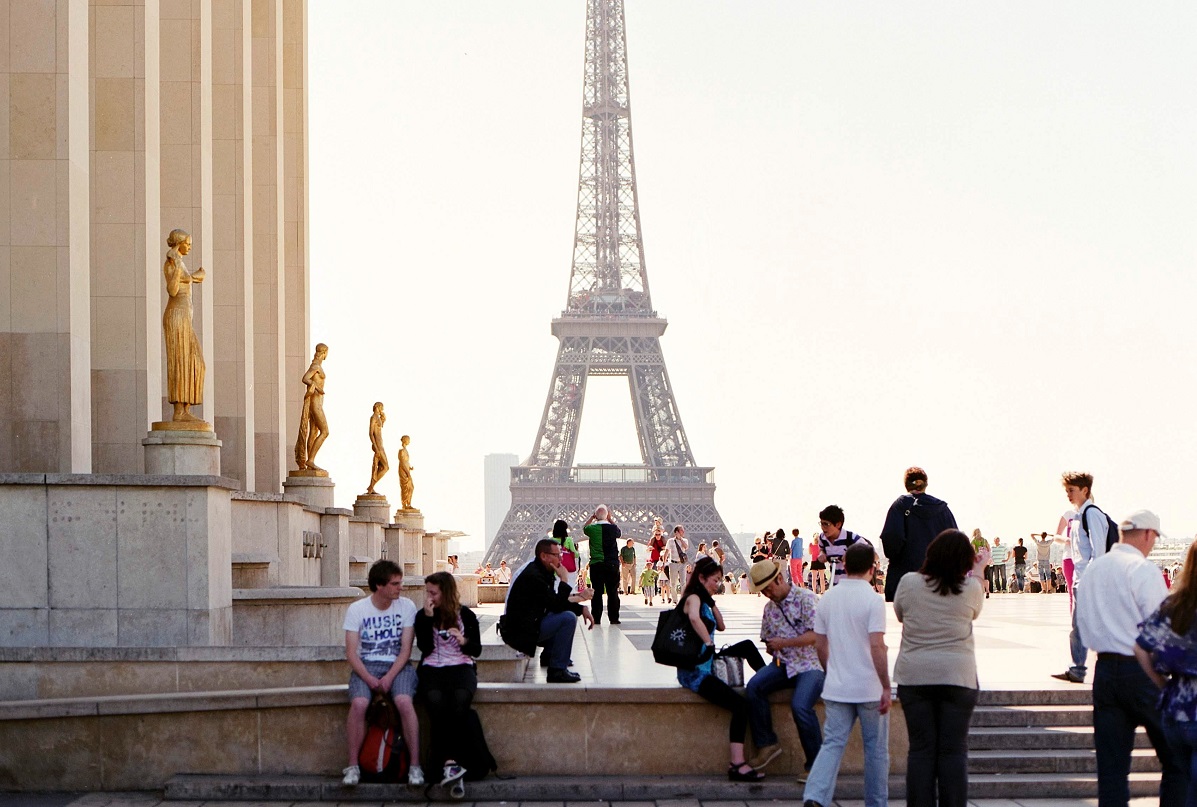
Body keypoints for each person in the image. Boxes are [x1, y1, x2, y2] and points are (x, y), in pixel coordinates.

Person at [1076, 510, 1185, 805]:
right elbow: (1163, 629)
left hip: (1105, 672)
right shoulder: (1143, 569)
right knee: (1176, 762)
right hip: (1142, 672)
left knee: (1111, 772)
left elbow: (1081, 624)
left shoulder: (1093, 571)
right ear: (1149, 534)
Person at [894, 530, 988, 807]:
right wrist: (980, 570)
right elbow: (976, 611)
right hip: (958, 678)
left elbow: (900, 614)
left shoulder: (909, 583)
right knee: (953, 751)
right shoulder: (970, 588)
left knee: (921, 751)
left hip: (915, 677)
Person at [802, 543, 891, 807]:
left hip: (837, 687)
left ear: (844, 565)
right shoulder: (873, 600)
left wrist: (833, 672)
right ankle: (876, 803)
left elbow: (820, 645)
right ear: (872, 568)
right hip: (869, 688)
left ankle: (815, 796)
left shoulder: (827, 598)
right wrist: (886, 685)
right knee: (876, 751)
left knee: (832, 745)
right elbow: (877, 646)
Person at [676, 556, 768, 781]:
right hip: (695, 671)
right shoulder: (692, 598)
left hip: (706, 660)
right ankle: (737, 764)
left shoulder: (703, 598)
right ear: (701, 577)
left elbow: (722, 625)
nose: (717, 584)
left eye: (719, 580)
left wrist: (713, 601)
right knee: (740, 705)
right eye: (714, 580)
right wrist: (708, 643)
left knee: (746, 646)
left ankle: (766, 679)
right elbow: (695, 618)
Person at [341, 560, 422, 787]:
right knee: (358, 704)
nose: (400, 588)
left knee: (405, 702)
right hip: (367, 665)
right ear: (379, 585)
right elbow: (351, 653)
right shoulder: (357, 609)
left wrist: (388, 678)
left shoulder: (406, 606)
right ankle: (353, 766)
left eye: (400, 583)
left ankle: (415, 766)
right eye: (395, 584)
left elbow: (405, 650)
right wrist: (369, 678)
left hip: (398, 666)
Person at [743, 560, 824, 775]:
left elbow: (817, 636)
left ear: (779, 579)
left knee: (801, 706)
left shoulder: (807, 599)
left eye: (768, 588)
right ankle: (767, 743)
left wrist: (785, 643)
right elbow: (768, 638)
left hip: (810, 664)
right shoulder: (769, 609)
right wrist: (772, 647)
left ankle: (816, 766)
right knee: (754, 687)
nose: (767, 594)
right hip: (783, 664)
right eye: (763, 591)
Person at [1137, 538, 1197, 807]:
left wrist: (1162, 684)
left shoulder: (1174, 606)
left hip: (1175, 707)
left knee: (1177, 779)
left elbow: (1141, 646)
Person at [414, 572, 481, 797]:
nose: (429, 596)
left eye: (433, 592)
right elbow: (425, 648)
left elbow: (476, 650)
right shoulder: (422, 615)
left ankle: (445, 762)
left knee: (460, 699)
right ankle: (452, 763)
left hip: (460, 665)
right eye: (428, 592)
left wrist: (463, 641)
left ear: (446, 592)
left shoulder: (467, 615)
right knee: (435, 701)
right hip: (433, 666)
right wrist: (427, 617)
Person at [500, 539, 594, 683]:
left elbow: (552, 602)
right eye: (557, 555)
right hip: (520, 632)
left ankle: (550, 656)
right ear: (544, 556)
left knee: (560, 614)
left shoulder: (539, 571)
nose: (560, 559)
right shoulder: (534, 576)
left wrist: (581, 608)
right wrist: (563, 579)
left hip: (526, 626)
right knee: (568, 618)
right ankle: (557, 671)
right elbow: (556, 605)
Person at [1052, 472, 1108, 684]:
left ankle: (1084, 669)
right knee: (1080, 626)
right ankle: (1078, 668)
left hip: (1087, 579)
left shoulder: (1090, 514)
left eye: (1072, 490)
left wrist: (1089, 580)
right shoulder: (1077, 516)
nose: (1068, 494)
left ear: (1085, 490)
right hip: (1080, 577)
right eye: (1067, 490)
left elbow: (1098, 550)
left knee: (1087, 625)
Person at [878, 467, 958, 602]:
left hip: (907, 578)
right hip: (938, 579)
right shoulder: (942, 509)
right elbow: (955, 542)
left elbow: (891, 537)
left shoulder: (900, 506)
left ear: (906, 484)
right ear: (925, 484)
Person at [161, 229, 206, 423]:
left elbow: (187, 280)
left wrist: (194, 276)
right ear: (179, 244)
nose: (190, 246)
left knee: (196, 363)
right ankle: (179, 411)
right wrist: (187, 274)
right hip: (176, 316)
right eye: (187, 243)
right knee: (181, 361)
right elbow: (172, 289)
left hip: (185, 317)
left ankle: (186, 408)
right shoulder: (172, 262)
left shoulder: (180, 261)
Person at [816, 505, 871, 588]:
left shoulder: (851, 538)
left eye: (826, 524)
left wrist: (851, 555)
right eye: (821, 523)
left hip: (852, 586)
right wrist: (822, 553)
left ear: (838, 524)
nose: (823, 527)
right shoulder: (822, 538)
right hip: (835, 585)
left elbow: (873, 555)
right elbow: (822, 549)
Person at [583, 505, 622, 624]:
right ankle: (614, 618)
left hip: (597, 564)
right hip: (612, 564)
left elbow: (584, 528)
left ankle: (596, 618)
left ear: (596, 516)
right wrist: (610, 519)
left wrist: (591, 518)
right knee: (613, 592)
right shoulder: (613, 528)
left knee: (597, 592)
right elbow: (619, 532)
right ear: (607, 515)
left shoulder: (591, 529)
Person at [295, 343, 330, 472]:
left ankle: (310, 461)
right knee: (325, 431)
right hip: (315, 403)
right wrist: (316, 386)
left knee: (314, 432)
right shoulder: (316, 366)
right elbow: (305, 378)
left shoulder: (317, 366)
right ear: (324, 352)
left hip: (318, 402)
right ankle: (311, 460)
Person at [365, 402, 389, 494]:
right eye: (381, 408)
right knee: (386, 467)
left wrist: (383, 419)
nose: (382, 410)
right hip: (378, 445)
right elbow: (371, 433)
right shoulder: (373, 417)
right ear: (377, 407)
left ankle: (371, 487)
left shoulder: (377, 418)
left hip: (380, 444)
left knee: (381, 466)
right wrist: (375, 446)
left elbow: (379, 428)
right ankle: (371, 486)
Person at [666, 525, 690, 603]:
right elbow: (667, 551)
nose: (683, 532)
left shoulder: (685, 540)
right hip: (673, 563)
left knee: (683, 582)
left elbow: (686, 547)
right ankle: (675, 599)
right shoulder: (670, 541)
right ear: (676, 532)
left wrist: (680, 539)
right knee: (673, 583)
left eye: (683, 530)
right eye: (681, 530)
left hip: (682, 563)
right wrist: (664, 561)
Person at [970, 530, 991, 598]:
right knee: (986, 577)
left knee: (977, 576)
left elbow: (972, 551)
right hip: (985, 561)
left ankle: (980, 591)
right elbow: (989, 549)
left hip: (977, 561)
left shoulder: (973, 541)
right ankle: (987, 591)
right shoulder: (984, 540)